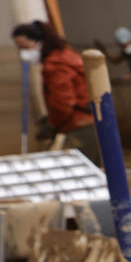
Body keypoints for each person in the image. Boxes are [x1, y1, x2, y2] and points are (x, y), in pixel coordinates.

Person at [12, 20, 99, 165]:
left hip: (79, 123)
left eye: (24, 47)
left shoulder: (55, 65)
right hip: (88, 119)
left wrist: (52, 123)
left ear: (39, 42)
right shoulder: (66, 55)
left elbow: (63, 102)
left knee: (82, 169)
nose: (23, 53)